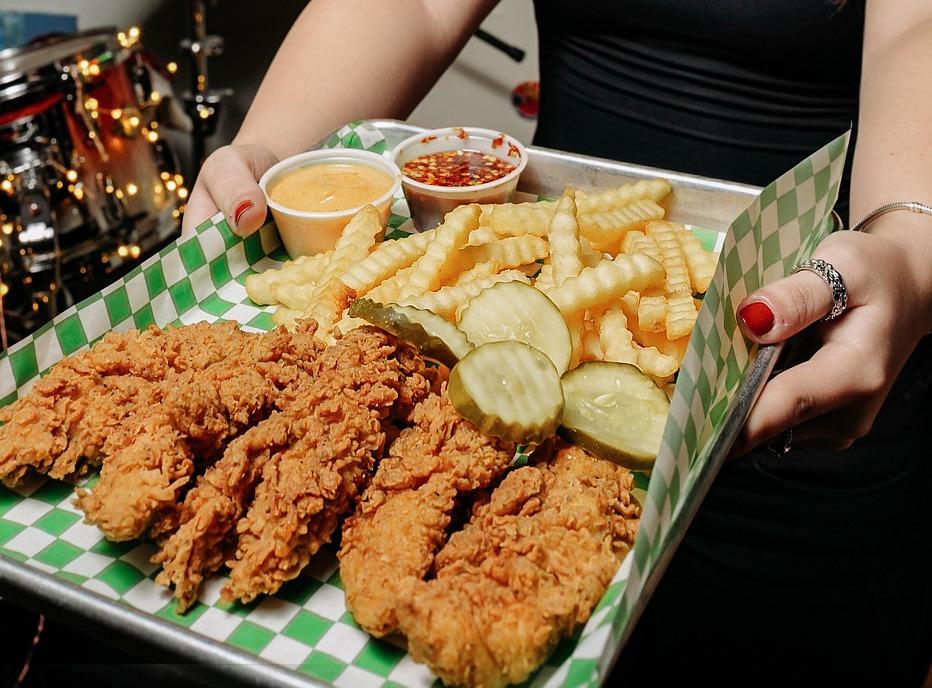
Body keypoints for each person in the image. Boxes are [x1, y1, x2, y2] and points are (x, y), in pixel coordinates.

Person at [182, 1, 932, 684]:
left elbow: (913, 29)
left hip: (818, 364)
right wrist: (272, 148)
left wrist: (910, 237)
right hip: (529, 340)